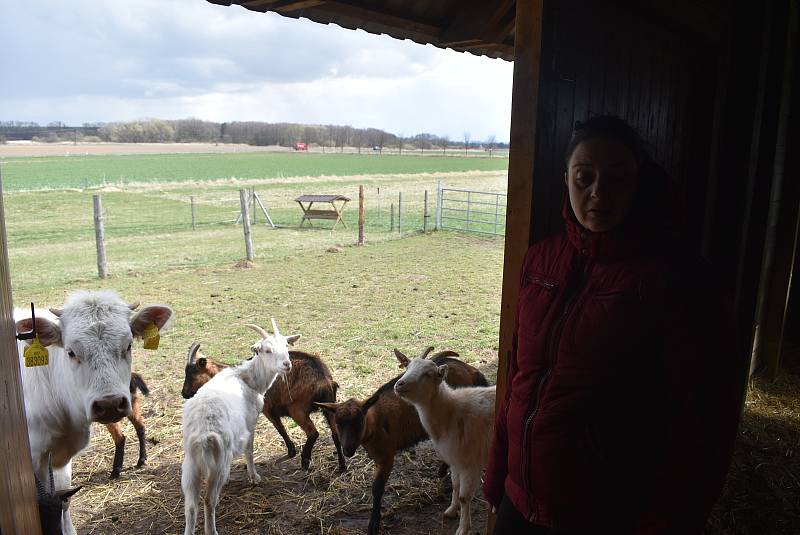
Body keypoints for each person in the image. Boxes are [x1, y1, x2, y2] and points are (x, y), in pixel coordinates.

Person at [483, 116, 743, 534]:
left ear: (640, 183)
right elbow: (520, 376)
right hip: (521, 501)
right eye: (584, 177)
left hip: (608, 514)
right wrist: (497, 475)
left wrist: (667, 522)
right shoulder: (540, 261)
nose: (598, 193)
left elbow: (703, 421)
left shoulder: (679, 281)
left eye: (618, 179)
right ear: (566, 176)